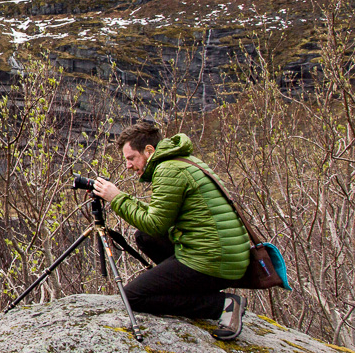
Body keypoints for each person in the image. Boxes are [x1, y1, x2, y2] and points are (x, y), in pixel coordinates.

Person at [91, 121, 251, 340]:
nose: (128, 165)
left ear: (149, 151)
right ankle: (189, 288)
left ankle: (222, 305)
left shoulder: (168, 170)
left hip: (213, 258)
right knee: (145, 238)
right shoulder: (181, 162)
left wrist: (116, 198)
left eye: (131, 158)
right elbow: (159, 221)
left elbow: (155, 223)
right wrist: (122, 199)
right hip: (225, 253)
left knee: (132, 296)